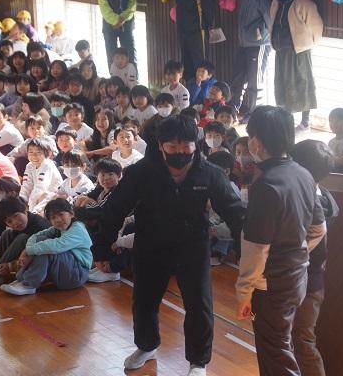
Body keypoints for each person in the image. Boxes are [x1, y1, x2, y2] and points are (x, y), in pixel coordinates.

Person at [94, 115, 244, 376]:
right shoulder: (141, 173)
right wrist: (102, 249)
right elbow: (114, 210)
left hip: (192, 247)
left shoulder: (209, 173)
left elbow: (235, 212)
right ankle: (146, 346)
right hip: (151, 244)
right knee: (144, 300)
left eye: (185, 146)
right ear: (161, 145)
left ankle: (198, 362)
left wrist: (245, 252)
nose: (179, 152)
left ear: (195, 144)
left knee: (199, 305)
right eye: (172, 147)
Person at [236, 105, 325, 376]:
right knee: (281, 345)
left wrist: (244, 291)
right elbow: (318, 228)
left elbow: (256, 248)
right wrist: (296, 251)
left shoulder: (266, 184)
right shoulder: (303, 173)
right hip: (298, 277)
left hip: (271, 284)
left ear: (257, 141)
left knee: (275, 354)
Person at [289, 139, 339, 376]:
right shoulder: (323, 195)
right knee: (297, 339)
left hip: (307, 281)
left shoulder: (314, 201)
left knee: (302, 340)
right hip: (310, 280)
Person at [0, 198, 92, 296]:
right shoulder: (58, 228)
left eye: (61, 214)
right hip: (68, 270)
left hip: (78, 273)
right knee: (42, 240)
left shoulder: (77, 229)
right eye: (53, 217)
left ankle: (29, 284)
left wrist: (28, 251)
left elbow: (56, 246)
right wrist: (27, 250)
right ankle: (22, 279)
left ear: (71, 214)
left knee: (46, 249)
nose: (58, 220)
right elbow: (36, 236)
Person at [269, 0, 323, 131]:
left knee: (303, 84)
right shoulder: (276, 2)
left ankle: (305, 121)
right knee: (282, 85)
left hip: (299, 51)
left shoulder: (304, 3)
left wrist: (306, 44)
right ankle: (286, 120)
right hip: (280, 50)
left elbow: (316, 27)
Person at [0, 195, 52, 288]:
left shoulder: (39, 225)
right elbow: (11, 245)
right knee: (7, 233)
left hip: (41, 261)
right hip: (24, 256)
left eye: (16, 216)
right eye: (9, 221)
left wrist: (10, 265)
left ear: (25, 210)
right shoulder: (22, 225)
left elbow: (35, 252)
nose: (15, 222)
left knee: (22, 238)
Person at [230, 0, 273, 119]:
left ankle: (255, 114)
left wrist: (270, 38)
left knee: (256, 81)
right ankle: (233, 109)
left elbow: (269, 17)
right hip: (244, 42)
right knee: (238, 78)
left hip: (259, 43)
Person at [173, 0, 216, 82]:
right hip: (183, 30)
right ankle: (191, 91)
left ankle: (204, 92)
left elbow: (207, 1)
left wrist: (207, 24)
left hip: (197, 29)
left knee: (201, 67)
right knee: (187, 65)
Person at [98, 0, 137, 66]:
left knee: (130, 54)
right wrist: (116, 20)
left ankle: (132, 75)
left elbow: (132, 5)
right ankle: (113, 75)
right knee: (111, 55)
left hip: (126, 25)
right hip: (109, 26)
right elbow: (104, 8)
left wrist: (122, 19)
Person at [20, 138, 63, 214]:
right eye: (31, 152)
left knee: (43, 196)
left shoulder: (47, 164)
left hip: (55, 195)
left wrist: (31, 206)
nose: (34, 155)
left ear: (47, 154)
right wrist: (22, 201)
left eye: (38, 152)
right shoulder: (29, 165)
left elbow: (41, 186)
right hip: (38, 195)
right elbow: (26, 184)